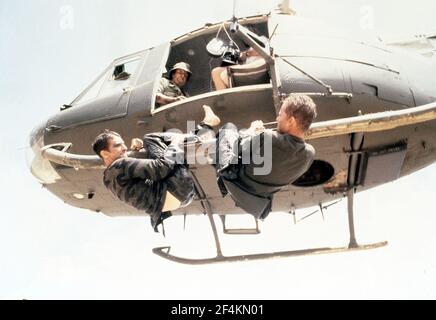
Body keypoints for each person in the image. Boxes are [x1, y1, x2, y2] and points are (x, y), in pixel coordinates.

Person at [92, 106, 221, 231]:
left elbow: (143, 181)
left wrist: (140, 151)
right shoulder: (120, 165)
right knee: (151, 138)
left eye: (123, 144)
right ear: (104, 153)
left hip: (176, 198)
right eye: (118, 145)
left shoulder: (108, 178)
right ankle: (205, 129)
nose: (124, 147)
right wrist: (175, 143)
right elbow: (161, 168)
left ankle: (203, 130)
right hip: (175, 189)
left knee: (164, 151)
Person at [214, 93, 317, 220]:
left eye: (280, 115)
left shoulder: (268, 137)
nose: (277, 119)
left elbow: (237, 147)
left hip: (234, 183)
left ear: (291, 121)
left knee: (229, 129)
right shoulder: (309, 155)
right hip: (257, 201)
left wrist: (252, 131)